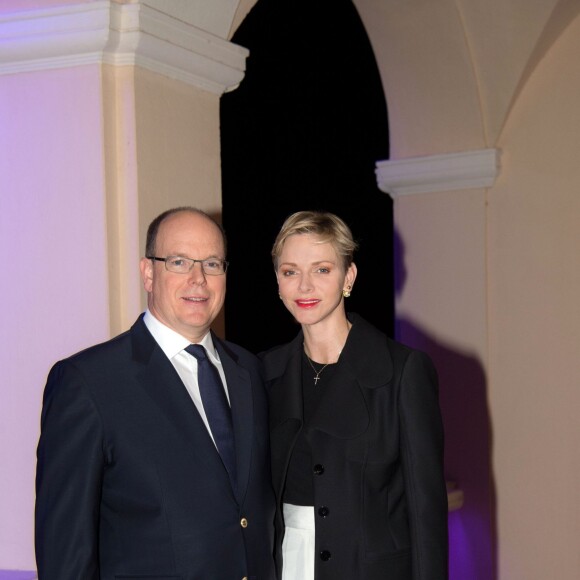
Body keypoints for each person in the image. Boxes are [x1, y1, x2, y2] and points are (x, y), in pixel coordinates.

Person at [35, 207, 276, 580]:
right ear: (148, 273)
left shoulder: (250, 371)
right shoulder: (88, 382)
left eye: (212, 264)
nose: (199, 279)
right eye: (179, 262)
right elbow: (66, 556)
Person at [261, 210, 448, 580]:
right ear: (278, 282)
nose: (304, 287)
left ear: (349, 276)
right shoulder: (264, 372)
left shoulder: (403, 372)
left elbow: (426, 513)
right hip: (285, 566)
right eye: (290, 271)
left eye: (322, 269)